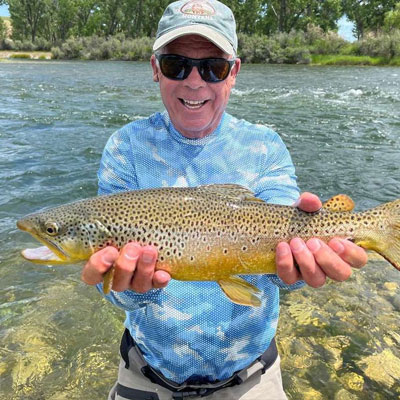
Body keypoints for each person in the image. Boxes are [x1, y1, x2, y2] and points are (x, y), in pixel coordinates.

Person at [81, 1, 368, 399]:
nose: (194, 82)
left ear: (233, 72)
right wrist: (133, 288)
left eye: (213, 67)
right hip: (146, 373)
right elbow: (116, 290)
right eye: (176, 65)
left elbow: (280, 269)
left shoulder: (265, 147)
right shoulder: (126, 147)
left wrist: (300, 271)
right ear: (154, 69)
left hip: (251, 377)